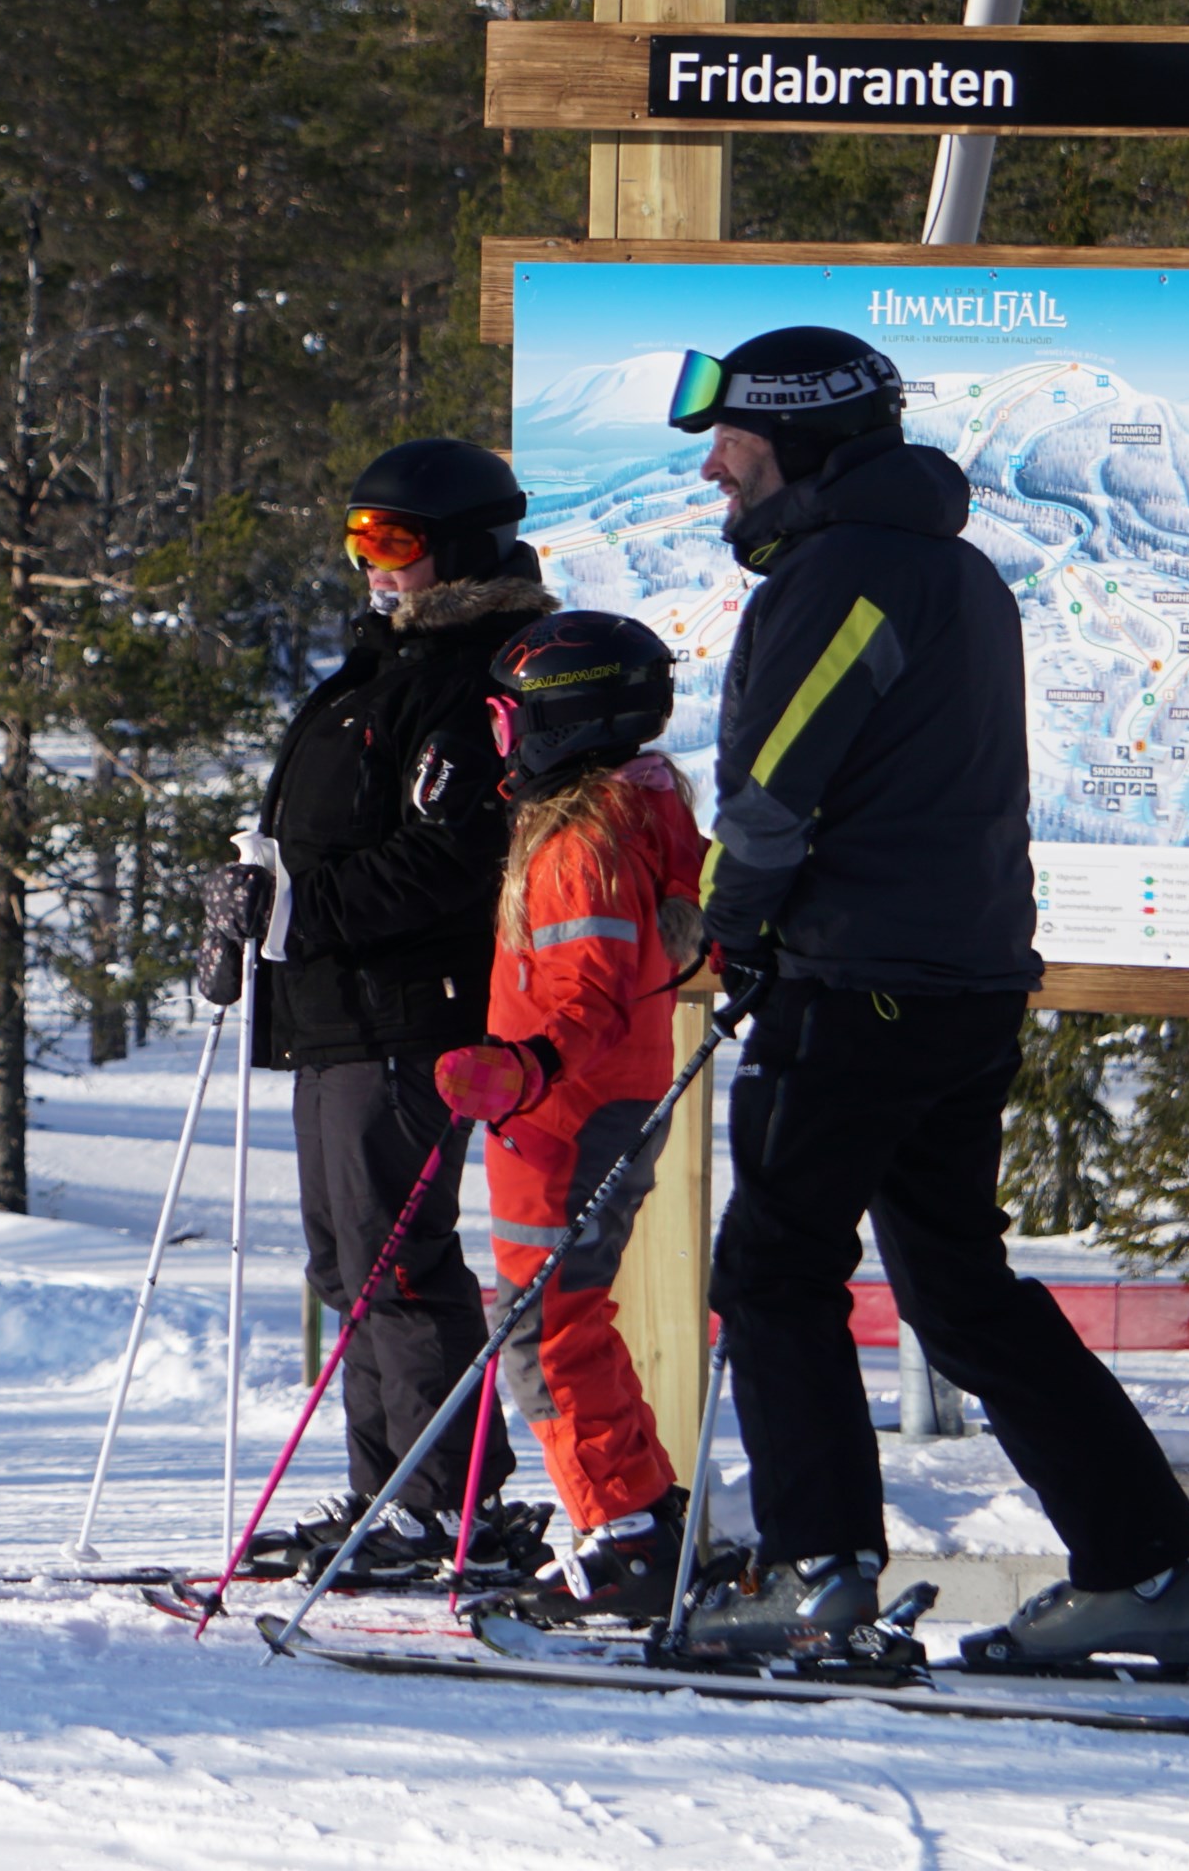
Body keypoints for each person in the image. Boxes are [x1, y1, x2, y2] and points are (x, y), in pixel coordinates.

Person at [662, 325, 1189, 1667]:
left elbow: (774, 788)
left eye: (728, 441)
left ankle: (814, 1571)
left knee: (772, 1267)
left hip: (856, 982)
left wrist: (723, 930)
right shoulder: (946, 568)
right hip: (955, 979)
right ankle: (1144, 1569)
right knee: (958, 1288)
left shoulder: (840, 575)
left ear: (797, 441)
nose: (711, 471)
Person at [245, 437, 546, 1578]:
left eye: (393, 538)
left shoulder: (466, 678)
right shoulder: (379, 665)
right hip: (331, 1010)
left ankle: (444, 1501)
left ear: (460, 548)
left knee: (396, 1261)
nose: (369, 559)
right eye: (356, 536)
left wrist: (300, 908)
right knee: (345, 1265)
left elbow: (451, 857)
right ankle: (388, 1494)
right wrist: (260, 896)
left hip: (407, 1013)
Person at [433, 610, 704, 1624]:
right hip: (583, 1106)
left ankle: (622, 1530)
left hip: (564, 1114)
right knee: (564, 1317)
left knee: (541, 1332)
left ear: (562, 720)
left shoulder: (579, 841)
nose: (497, 739)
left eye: (506, 719)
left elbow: (586, 992)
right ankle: (641, 1514)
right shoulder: (639, 814)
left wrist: (524, 1064)